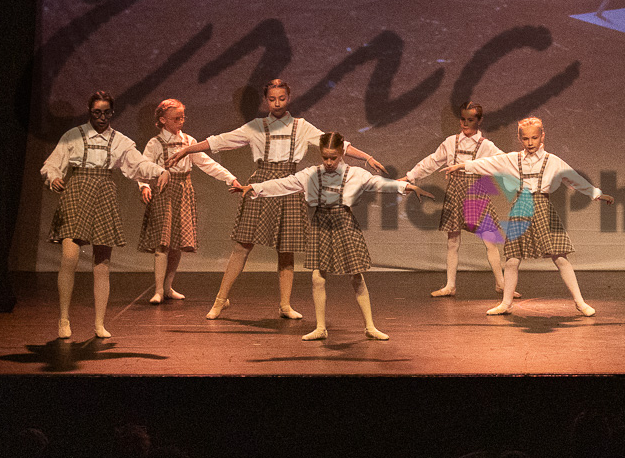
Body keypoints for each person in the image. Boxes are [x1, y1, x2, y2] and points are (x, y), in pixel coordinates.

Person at [164, 78, 385, 321]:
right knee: (242, 245)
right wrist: (187, 149)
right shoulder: (256, 126)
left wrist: (366, 157)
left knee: (286, 249)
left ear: (288, 98)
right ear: (265, 100)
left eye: (281, 98)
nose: (277, 103)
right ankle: (220, 300)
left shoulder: (301, 127)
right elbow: (220, 141)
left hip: (289, 186)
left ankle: (285, 305)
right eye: (272, 99)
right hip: (262, 183)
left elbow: (336, 144)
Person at [235, 132, 430, 341]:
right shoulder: (312, 174)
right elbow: (285, 184)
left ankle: (370, 327)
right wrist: (255, 187)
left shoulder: (355, 174)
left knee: (356, 275)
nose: (329, 162)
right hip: (321, 224)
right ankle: (321, 328)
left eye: (333, 157)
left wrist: (407, 186)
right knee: (318, 277)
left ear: (341, 154)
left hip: (344, 223)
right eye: (325, 157)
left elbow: (378, 183)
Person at [448, 116, 615, 317]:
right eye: (526, 139)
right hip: (522, 207)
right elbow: (489, 163)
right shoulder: (514, 159)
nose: (530, 143)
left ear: (542, 136)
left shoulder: (552, 161)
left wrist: (596, 194)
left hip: (543, 208)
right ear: (520, 139)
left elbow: (575, 179)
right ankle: (506, 303)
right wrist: (462, 166)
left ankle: (580, 302)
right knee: (512, 259)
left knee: (560, 257)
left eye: (534, 138)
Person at [40, 91, 169, 339]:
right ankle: (63, 318)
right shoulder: (73, 135)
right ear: (90, 112)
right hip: (77, 191)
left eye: (106, 112)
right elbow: (51, 164)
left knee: (102, 264)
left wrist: (160, 171)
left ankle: (99, 323)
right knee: (69, 257)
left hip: (104, 193)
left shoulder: (120, 141)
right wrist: (54, 177)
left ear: (112, 113)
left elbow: (139, 164)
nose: (101, 117)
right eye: (97, 112)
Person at [404, 102, 516, 299]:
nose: (465, 123)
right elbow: (432, 162)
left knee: (490, 240)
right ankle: (450, 285)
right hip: (455, 193)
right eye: (463, 119)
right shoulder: (451, 142)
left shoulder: (485, 145)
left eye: (470, 120)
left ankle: (501, 283)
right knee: (453, 241)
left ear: (479, 121)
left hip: (476, 194)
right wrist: (410, 177)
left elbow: (505, 161)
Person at [136, 99, 237, 305]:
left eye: (182, 118)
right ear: (163, 120)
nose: (181, 122)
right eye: (176, 118)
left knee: (177, 243)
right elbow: (143, 166)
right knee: (162, 242)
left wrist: (230, 178)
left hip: (183, 190)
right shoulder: (155, 143)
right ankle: (158, 290)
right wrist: (144, 185)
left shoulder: (188, 141)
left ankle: (168, 287)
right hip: (164, 191)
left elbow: (207, 163)